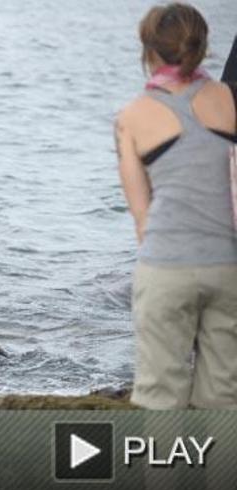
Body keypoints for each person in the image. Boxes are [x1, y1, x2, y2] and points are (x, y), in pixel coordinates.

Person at [115, 3, 237, 409]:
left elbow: (141, 214)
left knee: (158, 396)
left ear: (148, 52)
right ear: (202, 48)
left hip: (167, 264)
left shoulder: (133, 116)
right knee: (223, 396)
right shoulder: (227, 99)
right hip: (226, 267)